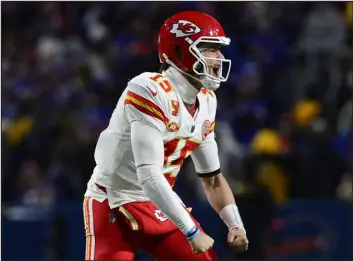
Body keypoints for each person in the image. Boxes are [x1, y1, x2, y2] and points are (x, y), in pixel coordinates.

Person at [83, 10, 249, 260]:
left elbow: (212, 178)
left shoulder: (206, 101)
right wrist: (192, 231)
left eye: (219, 49)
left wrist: (235, 224)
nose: (219, 58)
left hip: (159, 201)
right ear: (179, 51)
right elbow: (148, 175)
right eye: (210, 49)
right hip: (114, 201)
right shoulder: (148, 88)